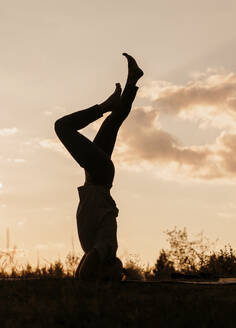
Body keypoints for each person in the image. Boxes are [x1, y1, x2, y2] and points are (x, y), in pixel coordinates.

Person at [54, 53, 143, 281]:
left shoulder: (95, 250)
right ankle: (106, 104)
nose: (119, 266)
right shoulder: (106, 248)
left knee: (113, 122)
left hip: (96, 176)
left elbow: (84, 270)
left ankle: (132, 81)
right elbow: (85, 273)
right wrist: (86, 288)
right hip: (100, 176)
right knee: (63, 127)